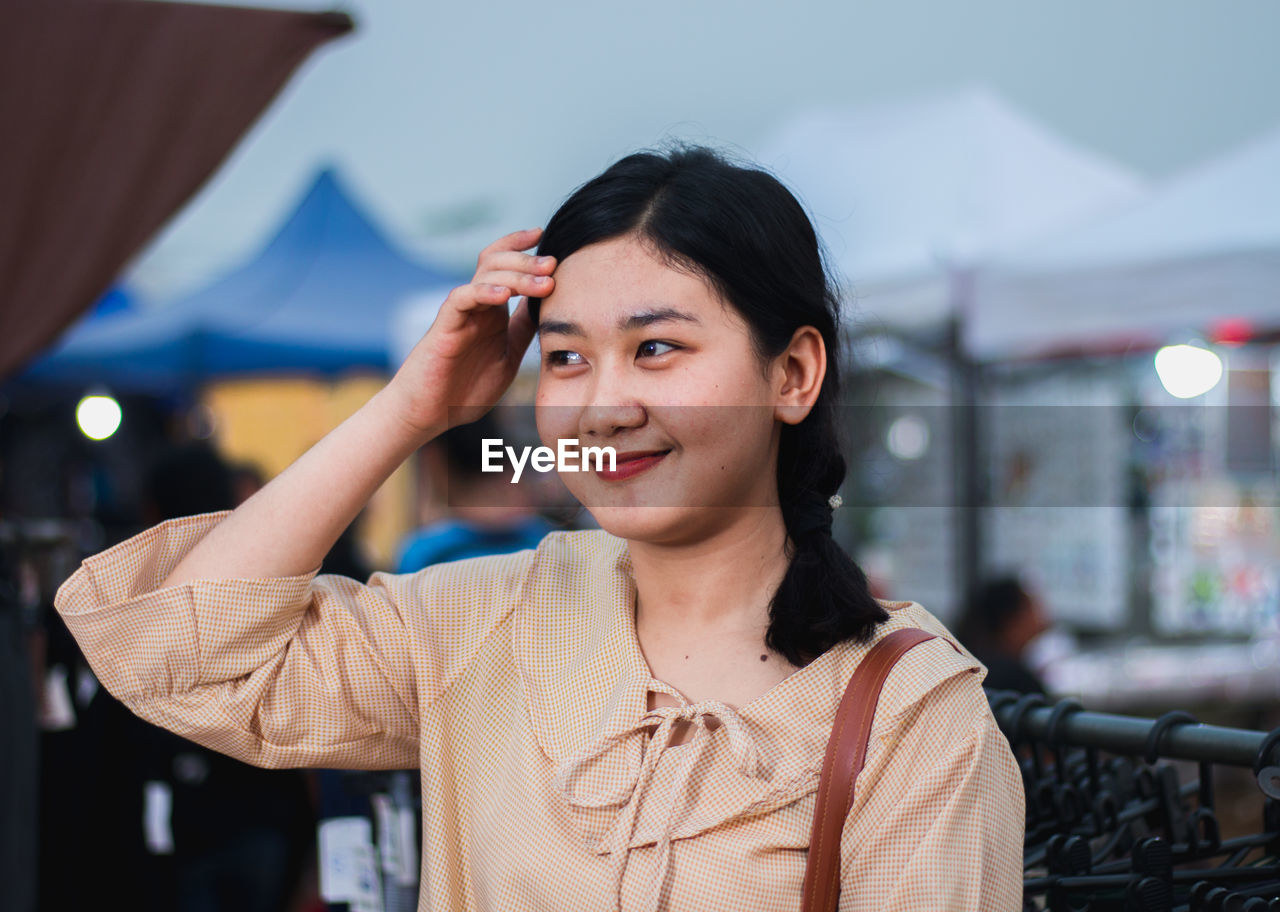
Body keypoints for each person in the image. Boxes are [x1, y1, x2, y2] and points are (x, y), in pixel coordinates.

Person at [54, 145, 1024, 911]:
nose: (601, 406)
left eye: (656, 348)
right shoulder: (486, 618)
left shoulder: (907, 711)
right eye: (563, 359)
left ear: (792, 374)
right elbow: (172, 657)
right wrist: (410, 408)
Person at [956, 575, 1052, 695]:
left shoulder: (970, 666)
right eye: (1031, 607)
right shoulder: (1015, 680)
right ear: (1013, 620)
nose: (1039, 615)